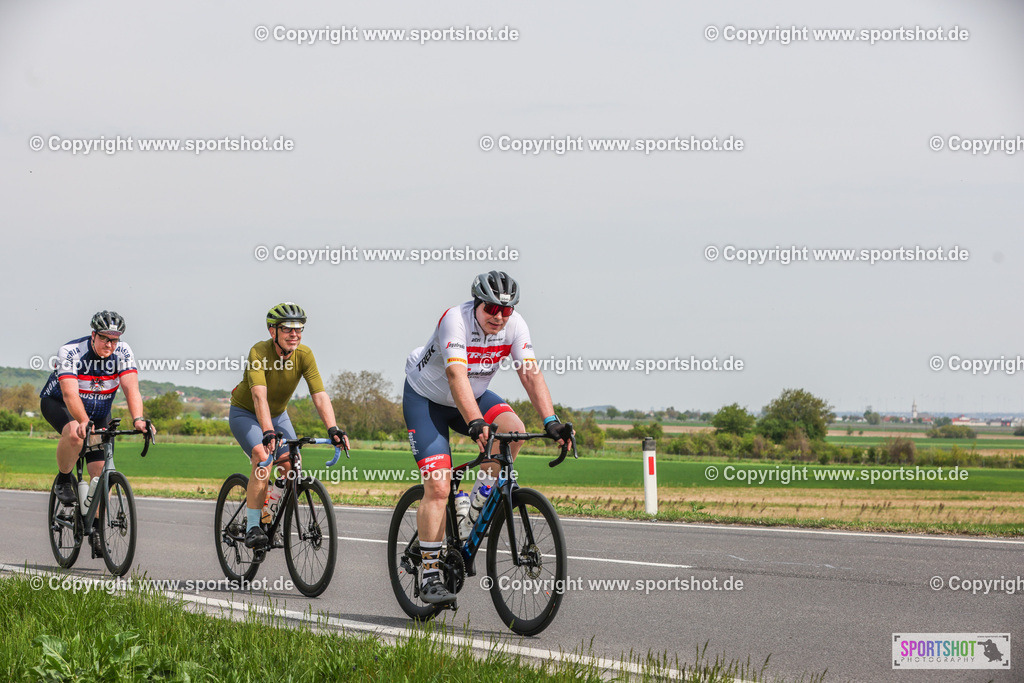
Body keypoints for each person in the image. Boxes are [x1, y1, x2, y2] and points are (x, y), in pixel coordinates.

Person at [403, 271, 573, 604]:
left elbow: (529, 372)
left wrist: (551, 421)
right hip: (428, 400)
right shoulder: (455, 320)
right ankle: (430, 572)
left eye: (505, 311)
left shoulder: (515, 325)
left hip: (475, 395)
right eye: (491, 309)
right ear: (477, 304)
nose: (498, 317)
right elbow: (455, 375)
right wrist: (476, 422)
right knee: (438, 486)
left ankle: (475, 505)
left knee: (514, 431)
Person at [229, 302, 349, 550]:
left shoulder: (304, 355)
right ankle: (253, 526)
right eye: (288, 329)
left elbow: (319, 394)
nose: (295, 334)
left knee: (291, 464)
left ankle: (267, 516)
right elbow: (259, 397)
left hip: (278, 415)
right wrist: (267, 432)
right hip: (246, 413)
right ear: (273, 331)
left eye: (299, 329)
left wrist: (333, 429)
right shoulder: (259, 352)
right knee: (263, 458)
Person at [40, 310, 151, 558]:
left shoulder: (123, 352)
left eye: (114, 340)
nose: (110, 345)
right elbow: (69, 394)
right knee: (75, 435)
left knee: (100, 471)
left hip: (100, 408)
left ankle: (98, 528)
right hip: (61, 404)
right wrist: (81, 421)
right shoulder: (71, 352)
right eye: (104, 339)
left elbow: (131, 388)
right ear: (93, 335)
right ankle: (64, 477)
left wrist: (139, 419)